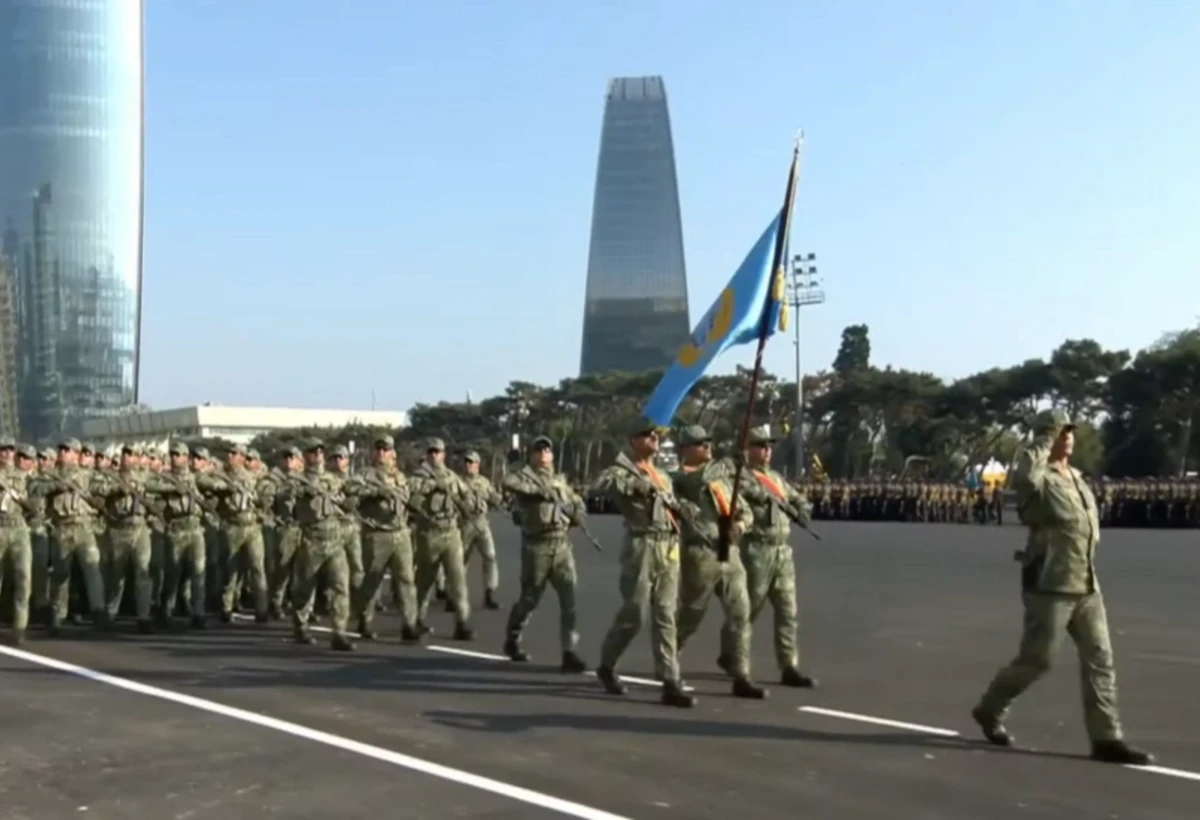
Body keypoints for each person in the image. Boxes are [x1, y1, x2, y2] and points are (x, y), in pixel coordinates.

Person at [971, 409, 1153, 765]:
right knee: (1037, 660)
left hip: (1085, 582)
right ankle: (990, 709)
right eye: (1059, 432)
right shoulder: (1037, 478)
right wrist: (1041, 443)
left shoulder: (1075, 478)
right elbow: (1024, 477)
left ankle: (1106, 738)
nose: (1067, 436)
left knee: (1101, 659)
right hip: (1050, 583)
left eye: (1069, 431)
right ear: (1044, 437)